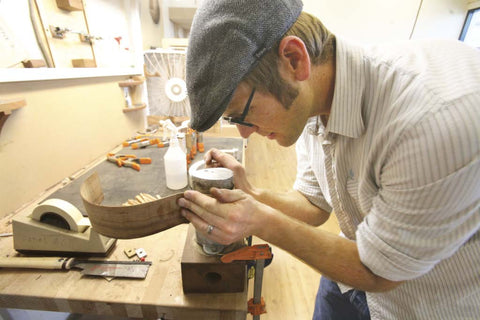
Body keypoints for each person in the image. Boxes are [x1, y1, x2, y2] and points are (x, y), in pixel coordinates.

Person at [178, 0, 480, 318]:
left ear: (295, 60)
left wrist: (259, 220)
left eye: (244, 113)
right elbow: (313, 204)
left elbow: (381, 271)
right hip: (345, 279)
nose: (243, 134)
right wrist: (251, 195)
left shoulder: (433, 119)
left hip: (420, 302)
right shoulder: (310, 98)